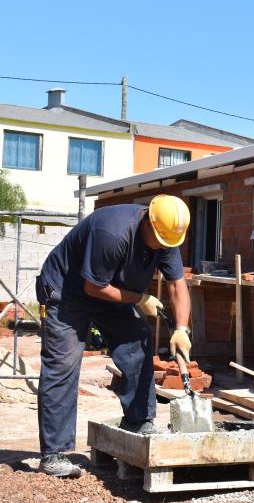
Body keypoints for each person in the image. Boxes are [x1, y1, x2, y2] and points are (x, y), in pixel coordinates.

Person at [35, 195, 192, 478]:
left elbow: (178, 286)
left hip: (112, 292)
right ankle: (53, 455)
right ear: (148, 221)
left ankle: (139, 422)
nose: (162, 247)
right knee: (63, 365)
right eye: (158, 239)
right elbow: (93, 287)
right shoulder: (113, 231)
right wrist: (140, 298)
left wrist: (181, 328)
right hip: (66, 291)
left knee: (138, 342)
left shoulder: (167, 237)